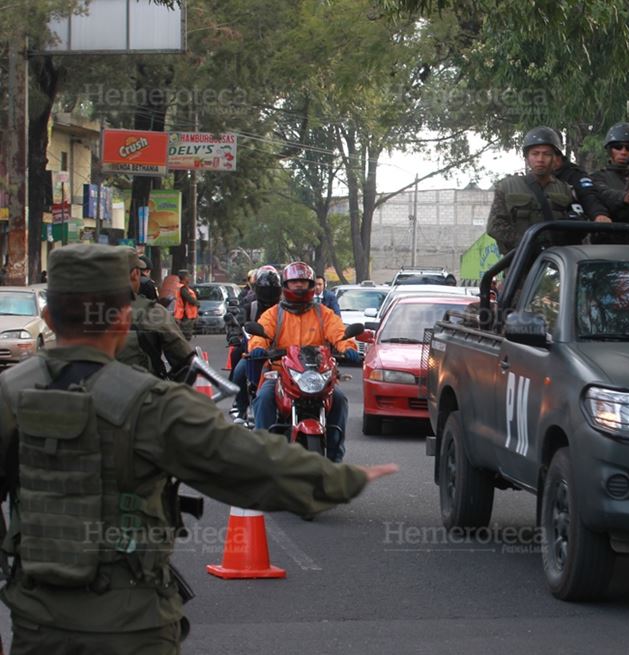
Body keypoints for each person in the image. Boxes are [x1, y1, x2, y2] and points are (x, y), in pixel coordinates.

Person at [0, 244, 397, 654]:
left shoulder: (9, 393)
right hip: (134, 628)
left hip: (37, 628)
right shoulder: (153, 403)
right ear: (122, 319)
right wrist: (343, 479)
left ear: (48, 318)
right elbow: (246, 465)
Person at [248, 261, 362, 462]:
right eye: (294, 282)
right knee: (264, 398)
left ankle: (335, 458)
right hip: (281, 374)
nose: (299, 286)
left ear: (311, 285)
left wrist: (349, 348)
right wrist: (257, 347)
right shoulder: (274, 313)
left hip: (317, 376)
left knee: (340, 400)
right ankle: (262, 456)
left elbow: (340, 333)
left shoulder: (323, 313)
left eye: (303, 281)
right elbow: (261, 333)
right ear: (286, 285)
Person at [486, 126, 575, 255]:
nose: (540, 159)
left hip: (556, 262)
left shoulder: (565, 190)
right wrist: (526, 244)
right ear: (527, 158)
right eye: (535, 153)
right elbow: (495, 227)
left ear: (555, 158)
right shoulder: (506, 187)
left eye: (546, 154)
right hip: (519, 262)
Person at [117, 249, 195, 380]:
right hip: (142, 393)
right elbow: (187, 363)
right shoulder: (153, 313)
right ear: (136, 274)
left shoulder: (82, 312)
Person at [227, 265, 282, 423]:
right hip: (255, 352)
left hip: (283, 354)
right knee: (238, 372)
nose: (269, 292)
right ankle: (241, 407)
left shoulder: (286, 309)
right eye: (265, 288)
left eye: (272, 289)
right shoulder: (250, 307)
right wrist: (235, 336)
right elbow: (238, 324)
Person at [173, 269, 199, 340]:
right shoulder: (183, 288)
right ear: (184, 277)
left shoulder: (183, 287)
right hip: (185, 315)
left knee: (185, 335)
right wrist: (197, 303)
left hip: (184, 315)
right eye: (188, 276)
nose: (189, 278)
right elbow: (189, 299)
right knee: (186, 336)